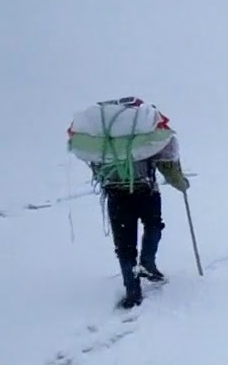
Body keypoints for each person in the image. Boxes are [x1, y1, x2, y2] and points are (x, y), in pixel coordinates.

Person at [66, 97, 190, 308]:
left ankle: (132, 289)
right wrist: (181, 184)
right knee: (153, 226)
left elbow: (96, 162)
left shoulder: (103, 139)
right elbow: (168, 162)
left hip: (115, 195)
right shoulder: (146, 135)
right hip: (146, 191)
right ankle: (148, 263)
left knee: (124, 243)